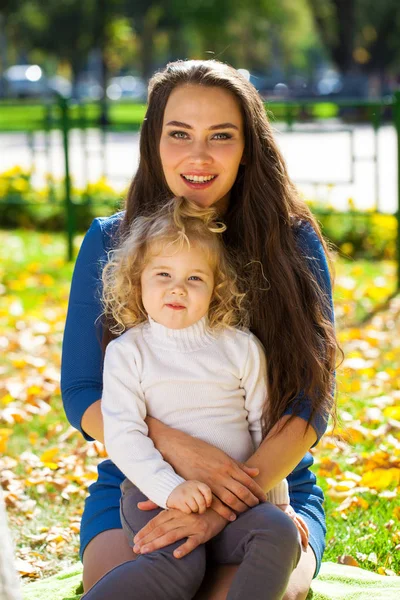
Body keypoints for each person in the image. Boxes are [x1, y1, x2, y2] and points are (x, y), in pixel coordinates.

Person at [61, 59, 337, 600]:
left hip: (264, 486)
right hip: (139, 482)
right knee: (141, 587)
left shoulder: (293, 243)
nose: (199, 156)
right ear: (152, 140)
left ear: (249, 145)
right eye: (179, 134)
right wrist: (173, 448)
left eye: (222, 136)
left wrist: (225, 501)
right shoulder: (109, 242)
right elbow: (82, 393)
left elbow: (310, 401)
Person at [93, 196, 304, 599]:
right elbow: (123, 434)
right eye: (163, 274)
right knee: (180, 568)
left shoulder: (241, 348)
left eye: (194, 279)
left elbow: (264, 429)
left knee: (278, 533)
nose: (177, 288)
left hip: (234, 500)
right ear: (137, 280)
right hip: (154, 493)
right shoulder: (129, 352)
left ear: (216, 288)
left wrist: (278, 503)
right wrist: (170, 489)